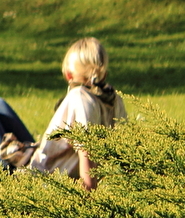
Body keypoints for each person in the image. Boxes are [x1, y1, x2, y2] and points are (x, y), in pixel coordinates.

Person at [28, 37, 126, 190]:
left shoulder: (80, 98)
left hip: (40, 179)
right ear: (104, 74)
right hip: (44, 162)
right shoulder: (114, 99)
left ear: (69, 75)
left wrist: (89, 197)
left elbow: (87, 152)